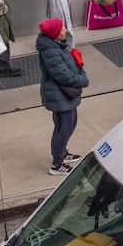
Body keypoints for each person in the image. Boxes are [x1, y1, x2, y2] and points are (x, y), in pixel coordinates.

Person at [35, 18, 87, 176]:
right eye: (62, 29)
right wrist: (82, 78)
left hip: (63, 95)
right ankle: (57, 163)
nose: (65, 30)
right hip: (59, 95)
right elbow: (63, 75)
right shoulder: (51, 52)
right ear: (55, 34)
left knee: (70, 124)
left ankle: (63, 153)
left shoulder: (56, 46)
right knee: (63, 128)